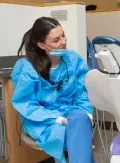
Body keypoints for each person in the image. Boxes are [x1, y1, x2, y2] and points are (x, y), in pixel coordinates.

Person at [11, 17, 95, 163]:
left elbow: (82, 92)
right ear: (42, 45)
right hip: (41, 119)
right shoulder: (28, 68)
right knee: (70, 134)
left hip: (70, 112)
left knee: (80, 120)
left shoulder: (73, 60)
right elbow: (25, 103)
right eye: (56, 40)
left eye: (63, 35)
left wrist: (87, 112)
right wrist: (55, 118)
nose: (63, 41)